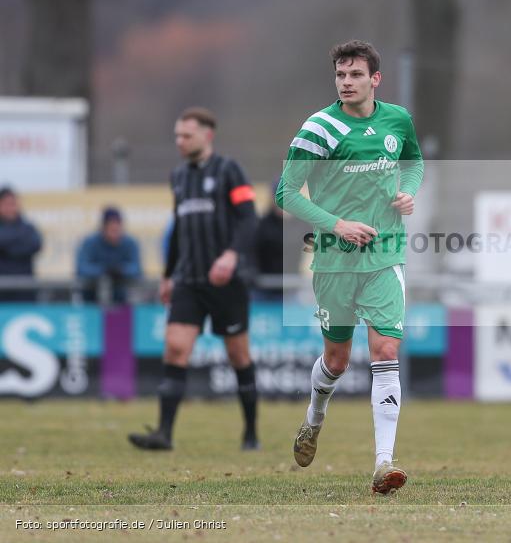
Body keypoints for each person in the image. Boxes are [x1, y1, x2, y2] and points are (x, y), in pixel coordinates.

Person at [276, 40, 424, 494]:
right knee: (337, 361)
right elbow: (286, 192)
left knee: (385, 351)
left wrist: (408, 192)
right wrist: (336, 224)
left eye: (355, 75)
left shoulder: (397, 119)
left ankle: (384, 463)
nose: (346, 82)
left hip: (385, 255)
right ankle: (314, 419)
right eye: (341, 75)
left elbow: (413, 161)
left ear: (374, 79)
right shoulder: (319, 128)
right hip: (334, 260)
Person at [128, 107, 260, 451]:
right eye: (177, 135)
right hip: (188, 280)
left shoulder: (230, 171)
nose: (180, 141)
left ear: (207, 135)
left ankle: (250, 433)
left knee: (238, 356)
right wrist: (168, 275)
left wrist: (231, 255)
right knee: (175, 348)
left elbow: (249, 220)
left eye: (186, 135)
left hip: (226, 283)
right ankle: (164, 434)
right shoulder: (179, 177)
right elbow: (180, 230)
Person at [76, 206, 142, 304]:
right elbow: (82, 268)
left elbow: (136, 268)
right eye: (111, 229)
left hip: (122, 300)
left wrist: (121, 270)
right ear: (103, 228)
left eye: (117, 229)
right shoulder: (90, 242)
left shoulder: (130, 242)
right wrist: (104, 270)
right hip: (92, 300)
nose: (115, 233)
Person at [0, 186, 43, 302]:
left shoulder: (28, 227)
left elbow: (36, 245)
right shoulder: (24, 231)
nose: (10, 208)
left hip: (25, 291)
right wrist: (16, 242)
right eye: (6, 204)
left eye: (13, 203)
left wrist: (6, 248)